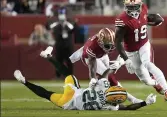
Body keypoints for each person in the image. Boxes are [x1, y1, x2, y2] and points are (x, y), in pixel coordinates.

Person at [13, 47, 156, 110]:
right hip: (68, 104)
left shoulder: (105, 87)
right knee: (46, 94)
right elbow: (129, 108)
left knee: (68, 74)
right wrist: (145, 103)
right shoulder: (110, 107)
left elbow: (106, 73)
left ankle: (49, 57)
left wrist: (117, 64)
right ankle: (24, 81)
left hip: (74, 92)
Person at [114, 0, 167, 101]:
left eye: (135, 7)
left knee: (148, 64)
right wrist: (126, 60)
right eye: (130, 7)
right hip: (130, 51)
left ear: (140, 5)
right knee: (146, 80)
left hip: (143, 45)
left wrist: (155, 19)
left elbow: (145, 19)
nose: (133, 10)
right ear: (125, 6)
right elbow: (117, 42)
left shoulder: (144, 10)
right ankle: (155, 83)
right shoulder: (122, 20)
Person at [68, 28, 143, 104]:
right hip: (89, 58)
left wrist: (119, 62)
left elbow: (125, 53)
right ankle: (132, 99)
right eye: (107, 46)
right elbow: (92, 65)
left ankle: (102, 96)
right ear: (100, 42)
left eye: (112, 46)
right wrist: (92, 78)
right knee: (109, 77)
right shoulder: (92, 47)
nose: (110, 49)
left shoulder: (114, 40)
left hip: (102, 55)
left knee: (107, 79)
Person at [47, 7, 78, 79]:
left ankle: (70, 76)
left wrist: (70, 23)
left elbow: (74, 29)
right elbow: (49, 27)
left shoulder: (70, 23)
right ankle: (58, 76)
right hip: (59, 45)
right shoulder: (55, 24)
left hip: (68, 45)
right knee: (58, 61)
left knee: (69, 61)